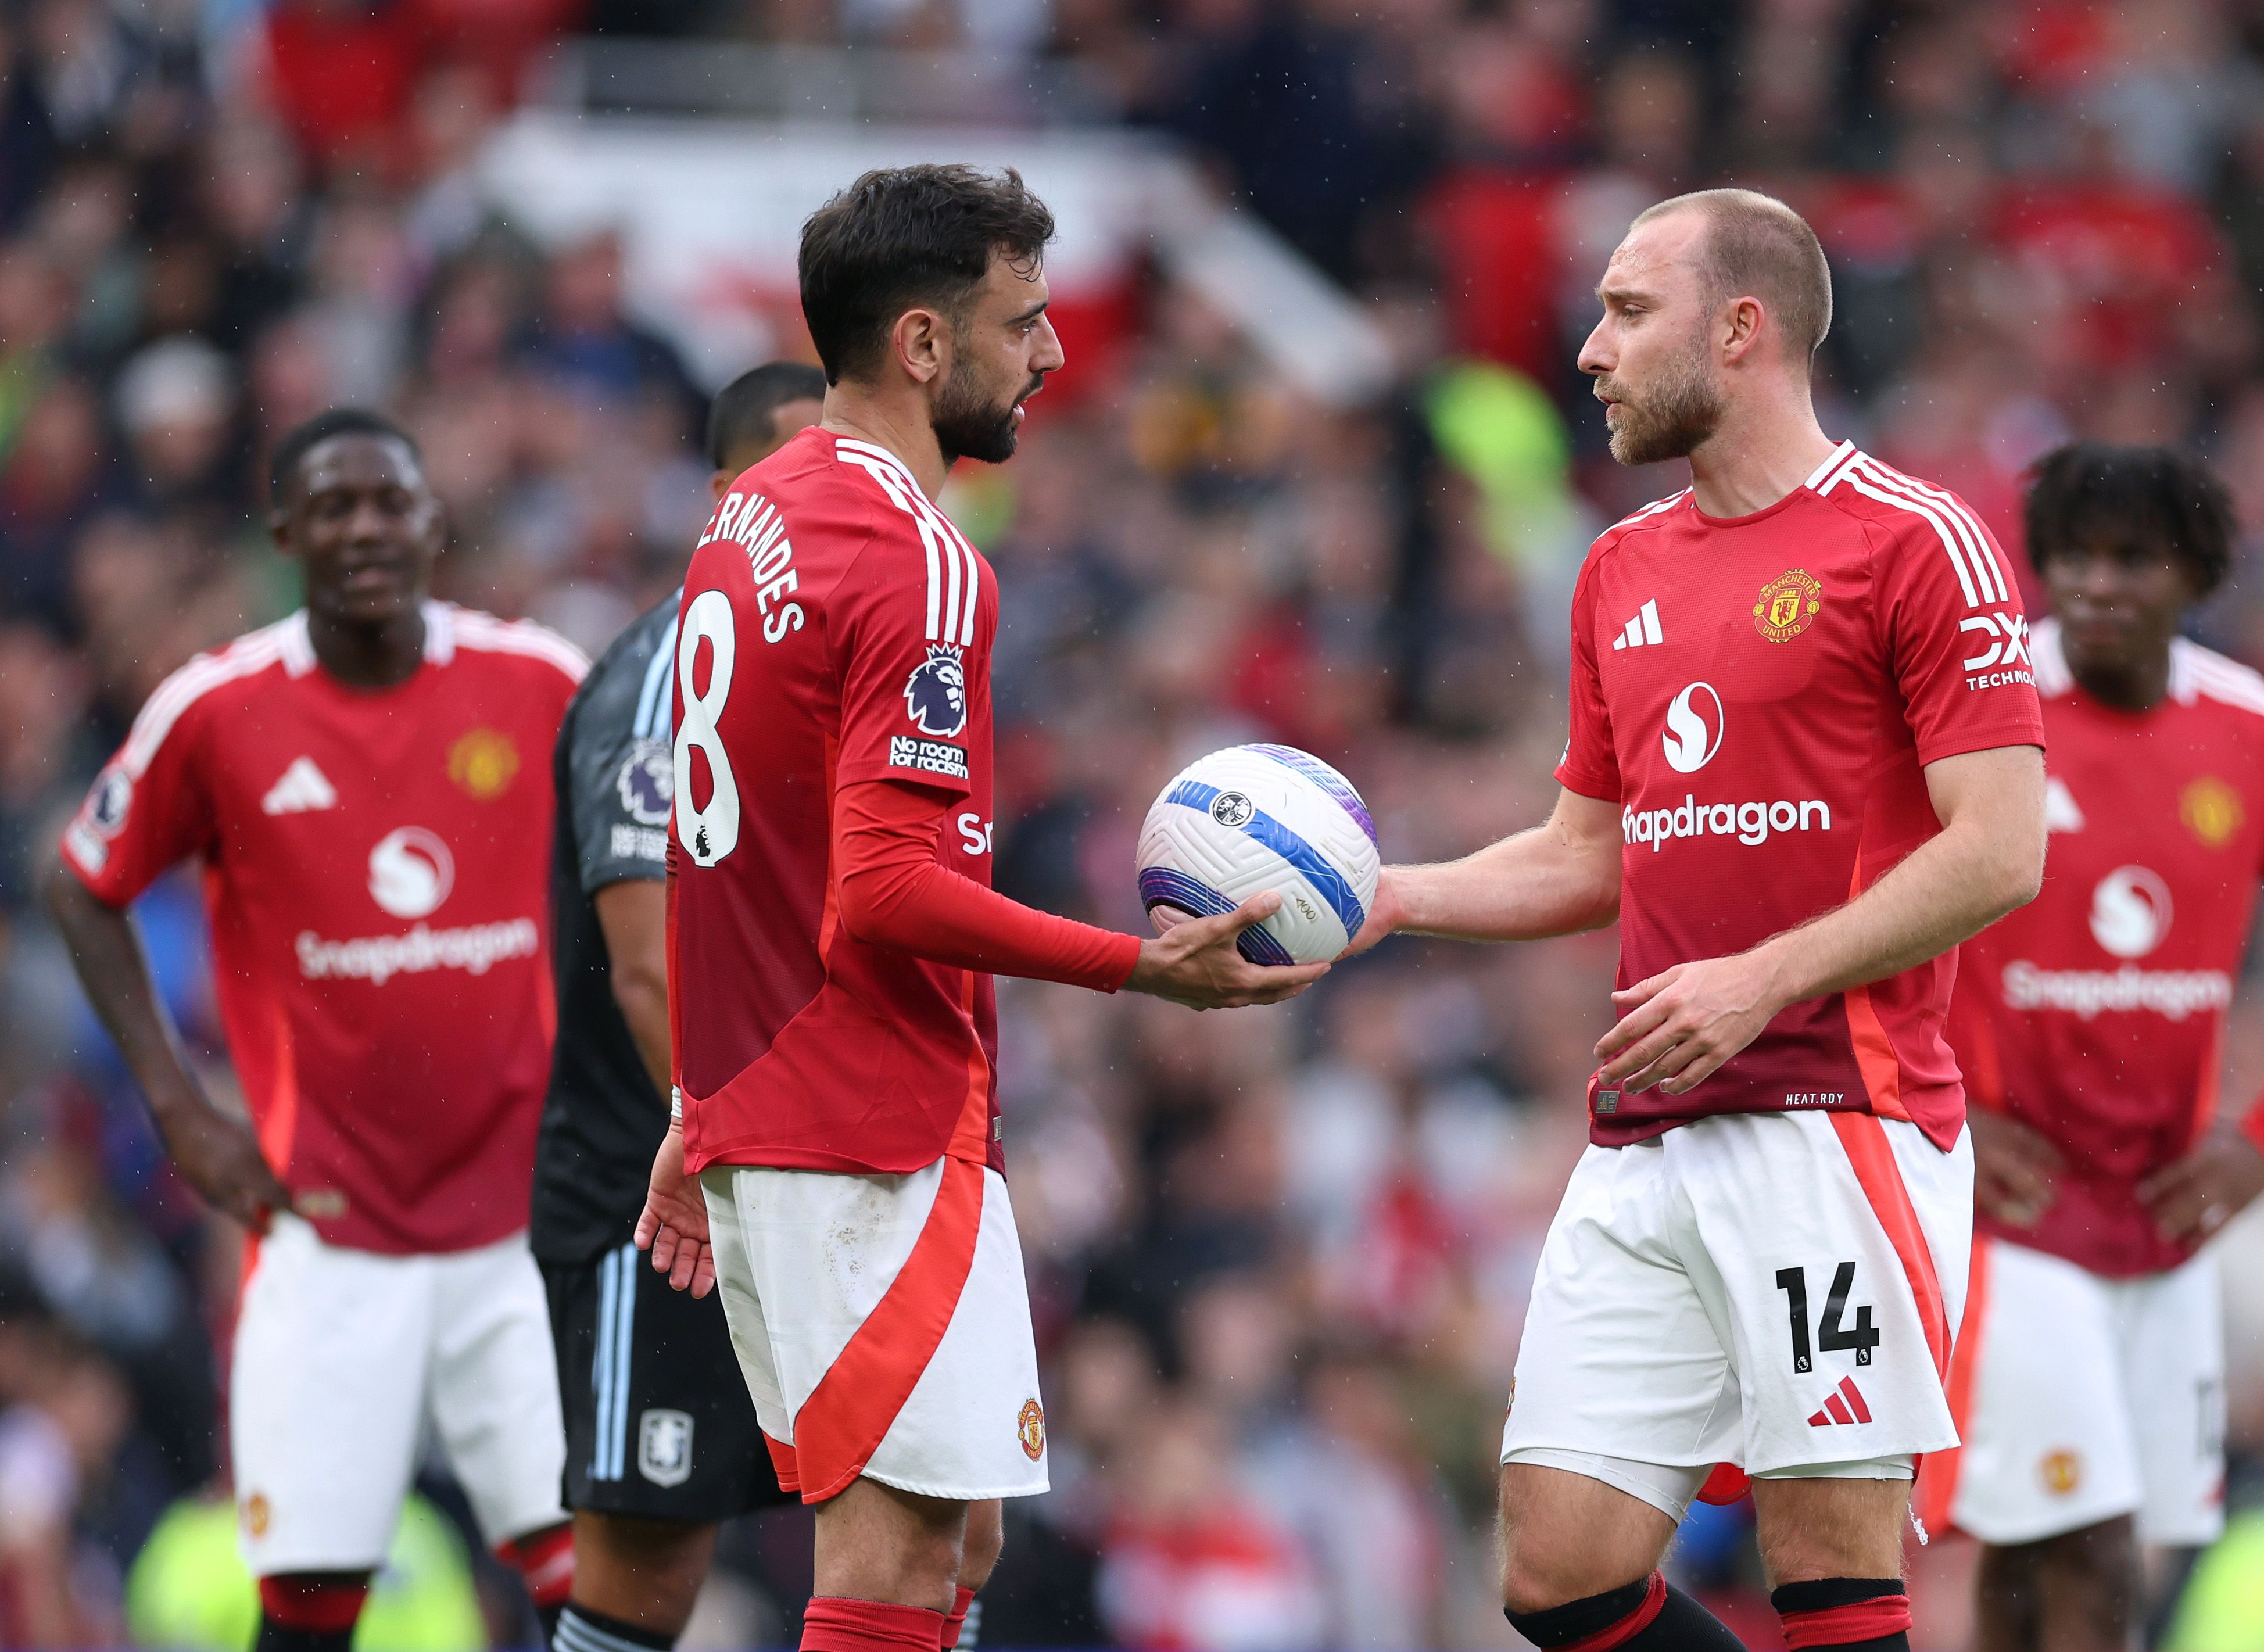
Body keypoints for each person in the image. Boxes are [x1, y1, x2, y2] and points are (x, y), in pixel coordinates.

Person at [631, 164, 1326, 1652]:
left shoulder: (746, 519)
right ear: (925, 349)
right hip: (860, 1116)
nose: (1056, 353)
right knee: (887, 1569)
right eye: (1024, 322)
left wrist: (700, 1106)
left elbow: (738, 848)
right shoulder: (918, 557)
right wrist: (1141, 970)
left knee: (961, 1541)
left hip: (785, 1103)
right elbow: (882, 888)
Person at [1345, 188, 2048, 1652]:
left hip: (1835, 1123)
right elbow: (1587, 853)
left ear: (1744, 328)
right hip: (1649, 1130)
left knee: (1829, 1568)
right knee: (1558, 1573)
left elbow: (2001, 851)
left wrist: (1759, 980)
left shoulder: (1916, 544)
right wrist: (1389, 897)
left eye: (1626, 312)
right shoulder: (1621, 571)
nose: (1590, 352)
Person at [47, 410, 588, 1652]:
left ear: (433, 524)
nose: (365, 530)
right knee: (308, 1607)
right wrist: (179, 1108)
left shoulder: (539, 679)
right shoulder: (218, 708)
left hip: (523, 1227)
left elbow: (648, 872)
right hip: (324, 1232)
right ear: (286, 533)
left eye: (389, 503)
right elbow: (80, 881)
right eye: (333, 508)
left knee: (596, 1589)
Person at [1927, 443, 2264, 1651]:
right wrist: (1937, 1109)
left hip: (2167, 1215)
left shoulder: (2252, 731)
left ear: (2194, 575)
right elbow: (1854, 907)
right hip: (2015, 1213)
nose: (2096, 585)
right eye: (2074, 558)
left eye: (2132, 559)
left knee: (2083, 1544)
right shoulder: (1984, 711)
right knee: (2076, 1543)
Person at [532, 362, 826, 1652]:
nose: (834, 498)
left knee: (943, 1528)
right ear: (727, 504)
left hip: (821, 1173)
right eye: (798, 470)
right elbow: (653, 970)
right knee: (649, 1577)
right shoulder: (664, 677)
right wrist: (749, 1154)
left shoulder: (858, 665)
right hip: (669, 1200)